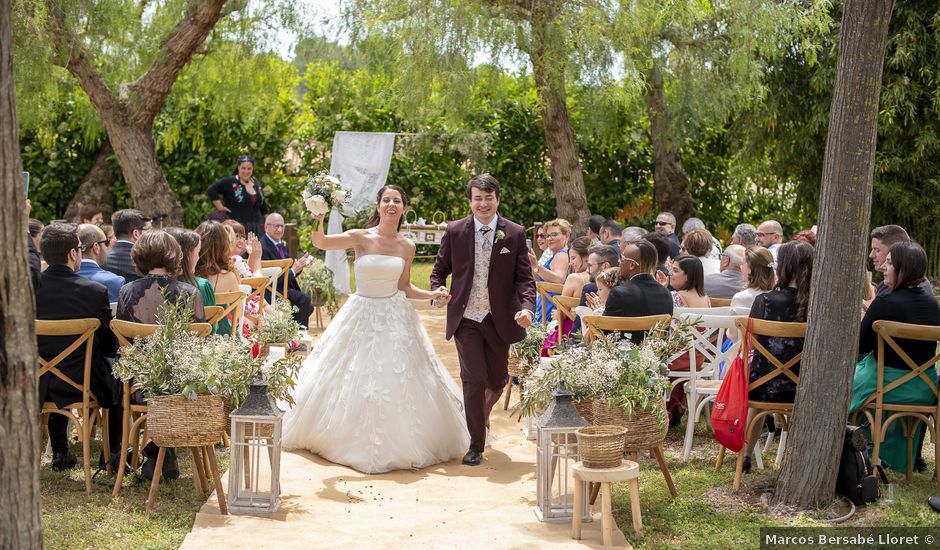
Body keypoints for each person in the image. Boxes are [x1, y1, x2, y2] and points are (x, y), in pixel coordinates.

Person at [282, 184, 471, 474]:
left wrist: (432, 295)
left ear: (403, 207)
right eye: (386, 200)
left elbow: (404, 286)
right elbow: (320, 242)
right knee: (351, 372)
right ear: (379, 205)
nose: (391, 204)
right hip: (361, 313)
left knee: (394, 375)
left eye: (397, 200)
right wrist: (320, 212)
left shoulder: (407, 245)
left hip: (395, 316)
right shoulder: (360, 237)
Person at [431, 174, 536, 467]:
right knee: (473, 379)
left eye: (488, 198)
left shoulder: (514, 233)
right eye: (478, 198)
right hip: (465, 316)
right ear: (470, 200)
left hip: (499, 318)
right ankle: (475, 444)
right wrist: (438, 289)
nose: (483, 203)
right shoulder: (455, 231)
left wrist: (527, 308)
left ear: (497, 199)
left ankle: (480, 417)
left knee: (497, 379)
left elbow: (525, 279)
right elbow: (440, 270)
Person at [36, 223, 122, 471]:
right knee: (118, 377)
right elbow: (108, 346)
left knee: (53, 367)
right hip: (82, 383)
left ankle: (61, 452)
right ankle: (112, 455)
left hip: (35, 384)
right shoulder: (94, 292)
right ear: (73, 254)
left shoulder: (27, 290)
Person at [850, 241, 940, 472]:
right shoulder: (933, 305)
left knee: (843, 385)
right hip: (924, 389)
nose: (884, 268)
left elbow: (860, 343)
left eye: (889, 263)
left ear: (903, 268)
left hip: (884, 386)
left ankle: (855, 452)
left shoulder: (885, 300)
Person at [740, 240, 813, 473]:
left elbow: (752, 343)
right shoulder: (819, 305)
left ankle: (745, 455)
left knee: (759, 384)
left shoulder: (765, 301)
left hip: (763, 386)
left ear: (784, 267)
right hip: (804, 387)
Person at [116, 229, 206, 324]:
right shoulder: (190, 293)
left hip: (138, 338)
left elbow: (121, 332)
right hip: (177, 339)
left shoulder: (126, 292)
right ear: (175, 255)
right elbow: (199, 333)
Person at [604, 240, 673, 345]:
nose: (619, 262)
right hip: (656, 356)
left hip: (624, 356)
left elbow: (604, 333)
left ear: (632, 265)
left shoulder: (619, 294)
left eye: (622, 258)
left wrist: (596, 315)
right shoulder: (666, 294)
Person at [167, 227, 230, 336]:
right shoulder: (201, 285)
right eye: (197, 252)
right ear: (187, 255)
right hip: (197, 346)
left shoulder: (155, 286)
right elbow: (212, 328)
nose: (198, 256)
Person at [260, 213, 315, 327]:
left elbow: (289, 271)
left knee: (308, 307)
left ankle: (291, 332)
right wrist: (293, 271)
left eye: (282, 226)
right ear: (266, 227)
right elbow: (269, 279)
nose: (279, 229)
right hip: (271, 291)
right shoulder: (262, 247)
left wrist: (300, 266)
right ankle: (299, 337)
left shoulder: (282, 244)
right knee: (304, 300)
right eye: (276, 226)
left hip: (285, 287)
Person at [541, 236, 591, 355]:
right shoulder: (600, 278)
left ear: (586, 257)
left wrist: (556, 314)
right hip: (592, 330)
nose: (570, 263)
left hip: (571, 331)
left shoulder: (574, 278)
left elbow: (561, 315)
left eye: (573, 258)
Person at [207, 154, 270, 237]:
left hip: (256, 228)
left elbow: (262, 205)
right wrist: (220, 208)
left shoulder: (256, 183)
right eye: (243, 168)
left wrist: (269, 220)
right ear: (238, 168)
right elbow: (211, 189)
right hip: (237, 229)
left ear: (252, 169)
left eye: (249, 168)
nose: (246, 171)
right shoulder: (230, 181)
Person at [868, 224, 931, 298]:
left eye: (877, 250)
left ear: (894, 251)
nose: (871, 255)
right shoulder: (886, 285)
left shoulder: (916, 291)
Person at [528, 218, 570, 324]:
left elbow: (559, 280)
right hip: (545, 303)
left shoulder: (562, 255)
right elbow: (537, 279)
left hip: (552, 305)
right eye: (547, 236)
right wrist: (533, 265)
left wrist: (537, 266)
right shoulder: (555, 254)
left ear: (566, 236)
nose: (549, 239)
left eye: (554, 234)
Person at [76, 223, 124, 302]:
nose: (106, 247)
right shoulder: (115, 282)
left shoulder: (59, 282)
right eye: (105, 242)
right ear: (96, 247)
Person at [104, 209, 150, 282]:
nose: (152, 235)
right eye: (149, 230)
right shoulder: (148, 261)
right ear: (136, 234)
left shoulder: (101, 259)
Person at [730, 246, 776, 311]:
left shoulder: (740, 298)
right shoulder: (780, 298)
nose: (741, 267)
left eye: (742, 263)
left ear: (750, 268)